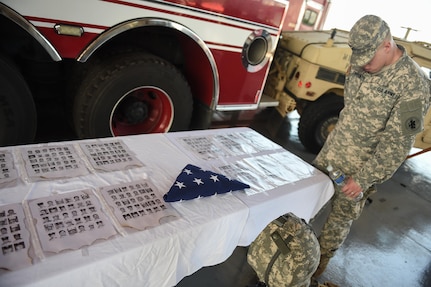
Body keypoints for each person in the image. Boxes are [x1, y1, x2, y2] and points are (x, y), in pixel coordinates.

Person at [311, 14, 431, 282]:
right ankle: (289, 250)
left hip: (358, 170)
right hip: (331, 153)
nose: (362, 64)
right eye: (358, 58)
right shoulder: (362, 64)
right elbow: (351, 108)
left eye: (367, 58)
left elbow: (398, 143)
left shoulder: (414, 85)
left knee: (337, 222)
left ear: (386, 45)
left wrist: (363, 180)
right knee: (306, 202)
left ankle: (316, 266)